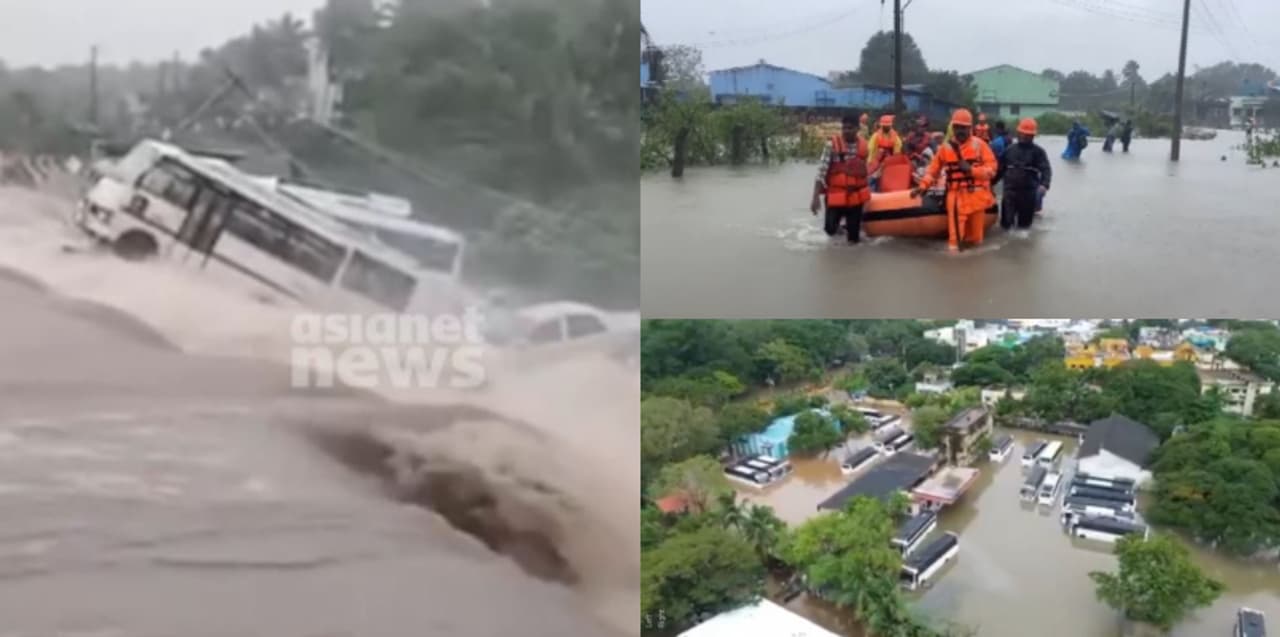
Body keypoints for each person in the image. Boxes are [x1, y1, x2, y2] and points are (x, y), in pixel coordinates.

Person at [910, 108, 997, 252]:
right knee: (954, 242)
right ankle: (954, 266)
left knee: (977, 240)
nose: (960, 131)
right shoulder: (945, 148)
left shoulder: (979, 145)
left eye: (963, 127)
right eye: (957, 127)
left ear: (970, 128)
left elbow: (992, 169)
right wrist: (923, 186)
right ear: (953, 127)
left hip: (977, 197)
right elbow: (933, 170)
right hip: (956, 197)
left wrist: (971, 170)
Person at [811, 114, 871, 243]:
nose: (846, 131)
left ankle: (849, 230)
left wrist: (867, 197)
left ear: (857, 129)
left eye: (850, 128)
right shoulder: (831, 145)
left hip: (855, 197)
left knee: (854, 239)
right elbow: (821, 172)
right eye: (844, 128)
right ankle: (839, 228)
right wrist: (815, 198)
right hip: (836, 194)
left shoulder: (864, 147)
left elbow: (864, 173)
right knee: (830, 230)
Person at [994, 118, 1052, 231]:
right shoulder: (1009, 150)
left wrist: (1044, 185)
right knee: (1006, 226)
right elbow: (999, 170)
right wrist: (989, 185)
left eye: (1029, 135)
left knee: (1024, 229)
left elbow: (1046, 170)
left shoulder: (1038, 152)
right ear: (1018, 133)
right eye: (1023, 134)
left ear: (1033, 136)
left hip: (1028, 193)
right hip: (1010, 192)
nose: (1025, 137)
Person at [867, 114, 904, 189]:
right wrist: (871, 164)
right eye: (884, 125)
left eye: (887, 125)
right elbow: (871, 150)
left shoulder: (896, 138)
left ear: (890, 126)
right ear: (881, 125)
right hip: (876, 161)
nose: (886, 127)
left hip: (889, 163)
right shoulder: (875, 136)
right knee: (872, 180)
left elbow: (897, 153)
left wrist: (892, 164)